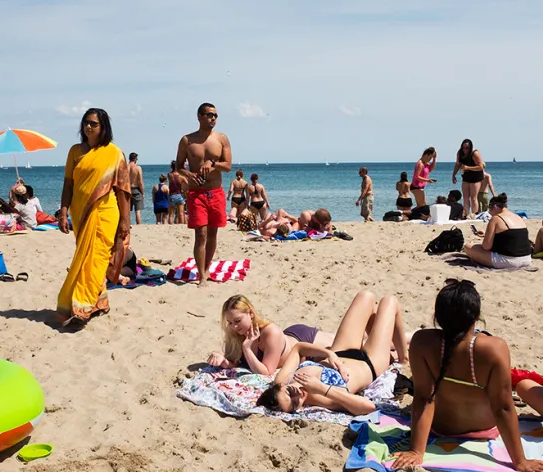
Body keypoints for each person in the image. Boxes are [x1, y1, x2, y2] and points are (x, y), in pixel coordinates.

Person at [392, 279, 543, 472]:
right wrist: (520, 461)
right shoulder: (493, 348)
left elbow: (423, 398)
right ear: (476, 317)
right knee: (521, 387)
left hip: (440, 428)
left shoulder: (422, 342)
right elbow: (503, 408)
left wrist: (416, 451)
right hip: (484, 430)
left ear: (437, 317)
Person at [256, 291, 408, 414]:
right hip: (369, 363)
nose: (298, 396)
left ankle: (381, 340)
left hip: (340, 352)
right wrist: (323, 389)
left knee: (365, 297)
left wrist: (329, 354)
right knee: (389, 301)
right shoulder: (322, 398)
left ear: (280, 387)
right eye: (296, 404)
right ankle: (404, 359)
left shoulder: (283, 379)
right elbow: (369, 407)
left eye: (290, 392)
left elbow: (298, 349)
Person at [57, 108, 131, 327]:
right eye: (85, 123)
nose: (88, 127)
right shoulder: (74, 152)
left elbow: (123, 191)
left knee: (96, 257)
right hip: (79, 213)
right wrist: (63, 212)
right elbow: (68, 183)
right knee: (86, 257)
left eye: (93, 124)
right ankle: (100, 301)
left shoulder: (114, 153)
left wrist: (126, 221)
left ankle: (83, 306)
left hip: (105, 212)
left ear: (103, 127)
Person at [175, 102, 232, 287]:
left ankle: (206, 269)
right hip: (197, 193)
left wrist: (212, 164)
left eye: (215, 115)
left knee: (213, 233)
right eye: (209, 115)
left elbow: (228, 166)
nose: (213, 118)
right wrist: (189, 175)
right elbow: (178, 166)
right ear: (199, 116)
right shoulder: (187, 140)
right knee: (201, 234)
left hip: (215, 192)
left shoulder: (222, 139)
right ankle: (201, 276)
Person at [207, 294, 335, 375]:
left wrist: (246, 348)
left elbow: (266, 372)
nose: (234, 326)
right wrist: (221, 358)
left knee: (343, 345)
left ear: (251, 314)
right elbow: (234, 362)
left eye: (238, 321)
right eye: (229, 322)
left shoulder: (270, 332)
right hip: (288, 339)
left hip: (305, 342)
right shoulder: (234, 333)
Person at [464, 193, 532, 270]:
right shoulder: (518, 217)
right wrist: (486, 234)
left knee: (468, 246)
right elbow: (511, 237)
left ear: (495, 207)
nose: (489, 212)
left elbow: (486, 247)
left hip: (509, 261)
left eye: (490, 209)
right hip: (527, 259)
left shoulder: (496, 218)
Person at [452, 139, 485, 216]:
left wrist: (468, 168)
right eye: (463, 148)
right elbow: (457, 164)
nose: (465, 150)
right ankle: (466, 214)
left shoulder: (475, 153)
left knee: (473, 198)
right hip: (466, 177)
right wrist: (453, 174)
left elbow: (481, 167)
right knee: (465, 198)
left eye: (467, 148)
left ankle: (474, 215)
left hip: (476, 177)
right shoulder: (459, 153)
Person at [128, 152, 144, 225]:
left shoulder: (126, 167)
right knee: (137, 210)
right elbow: (140, 181)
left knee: (127, 210)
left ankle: (128, 224)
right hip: (136, 189)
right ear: (135, 159)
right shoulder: (138, 168)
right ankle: (139, 226)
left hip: (127, 189)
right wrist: (142, 192)